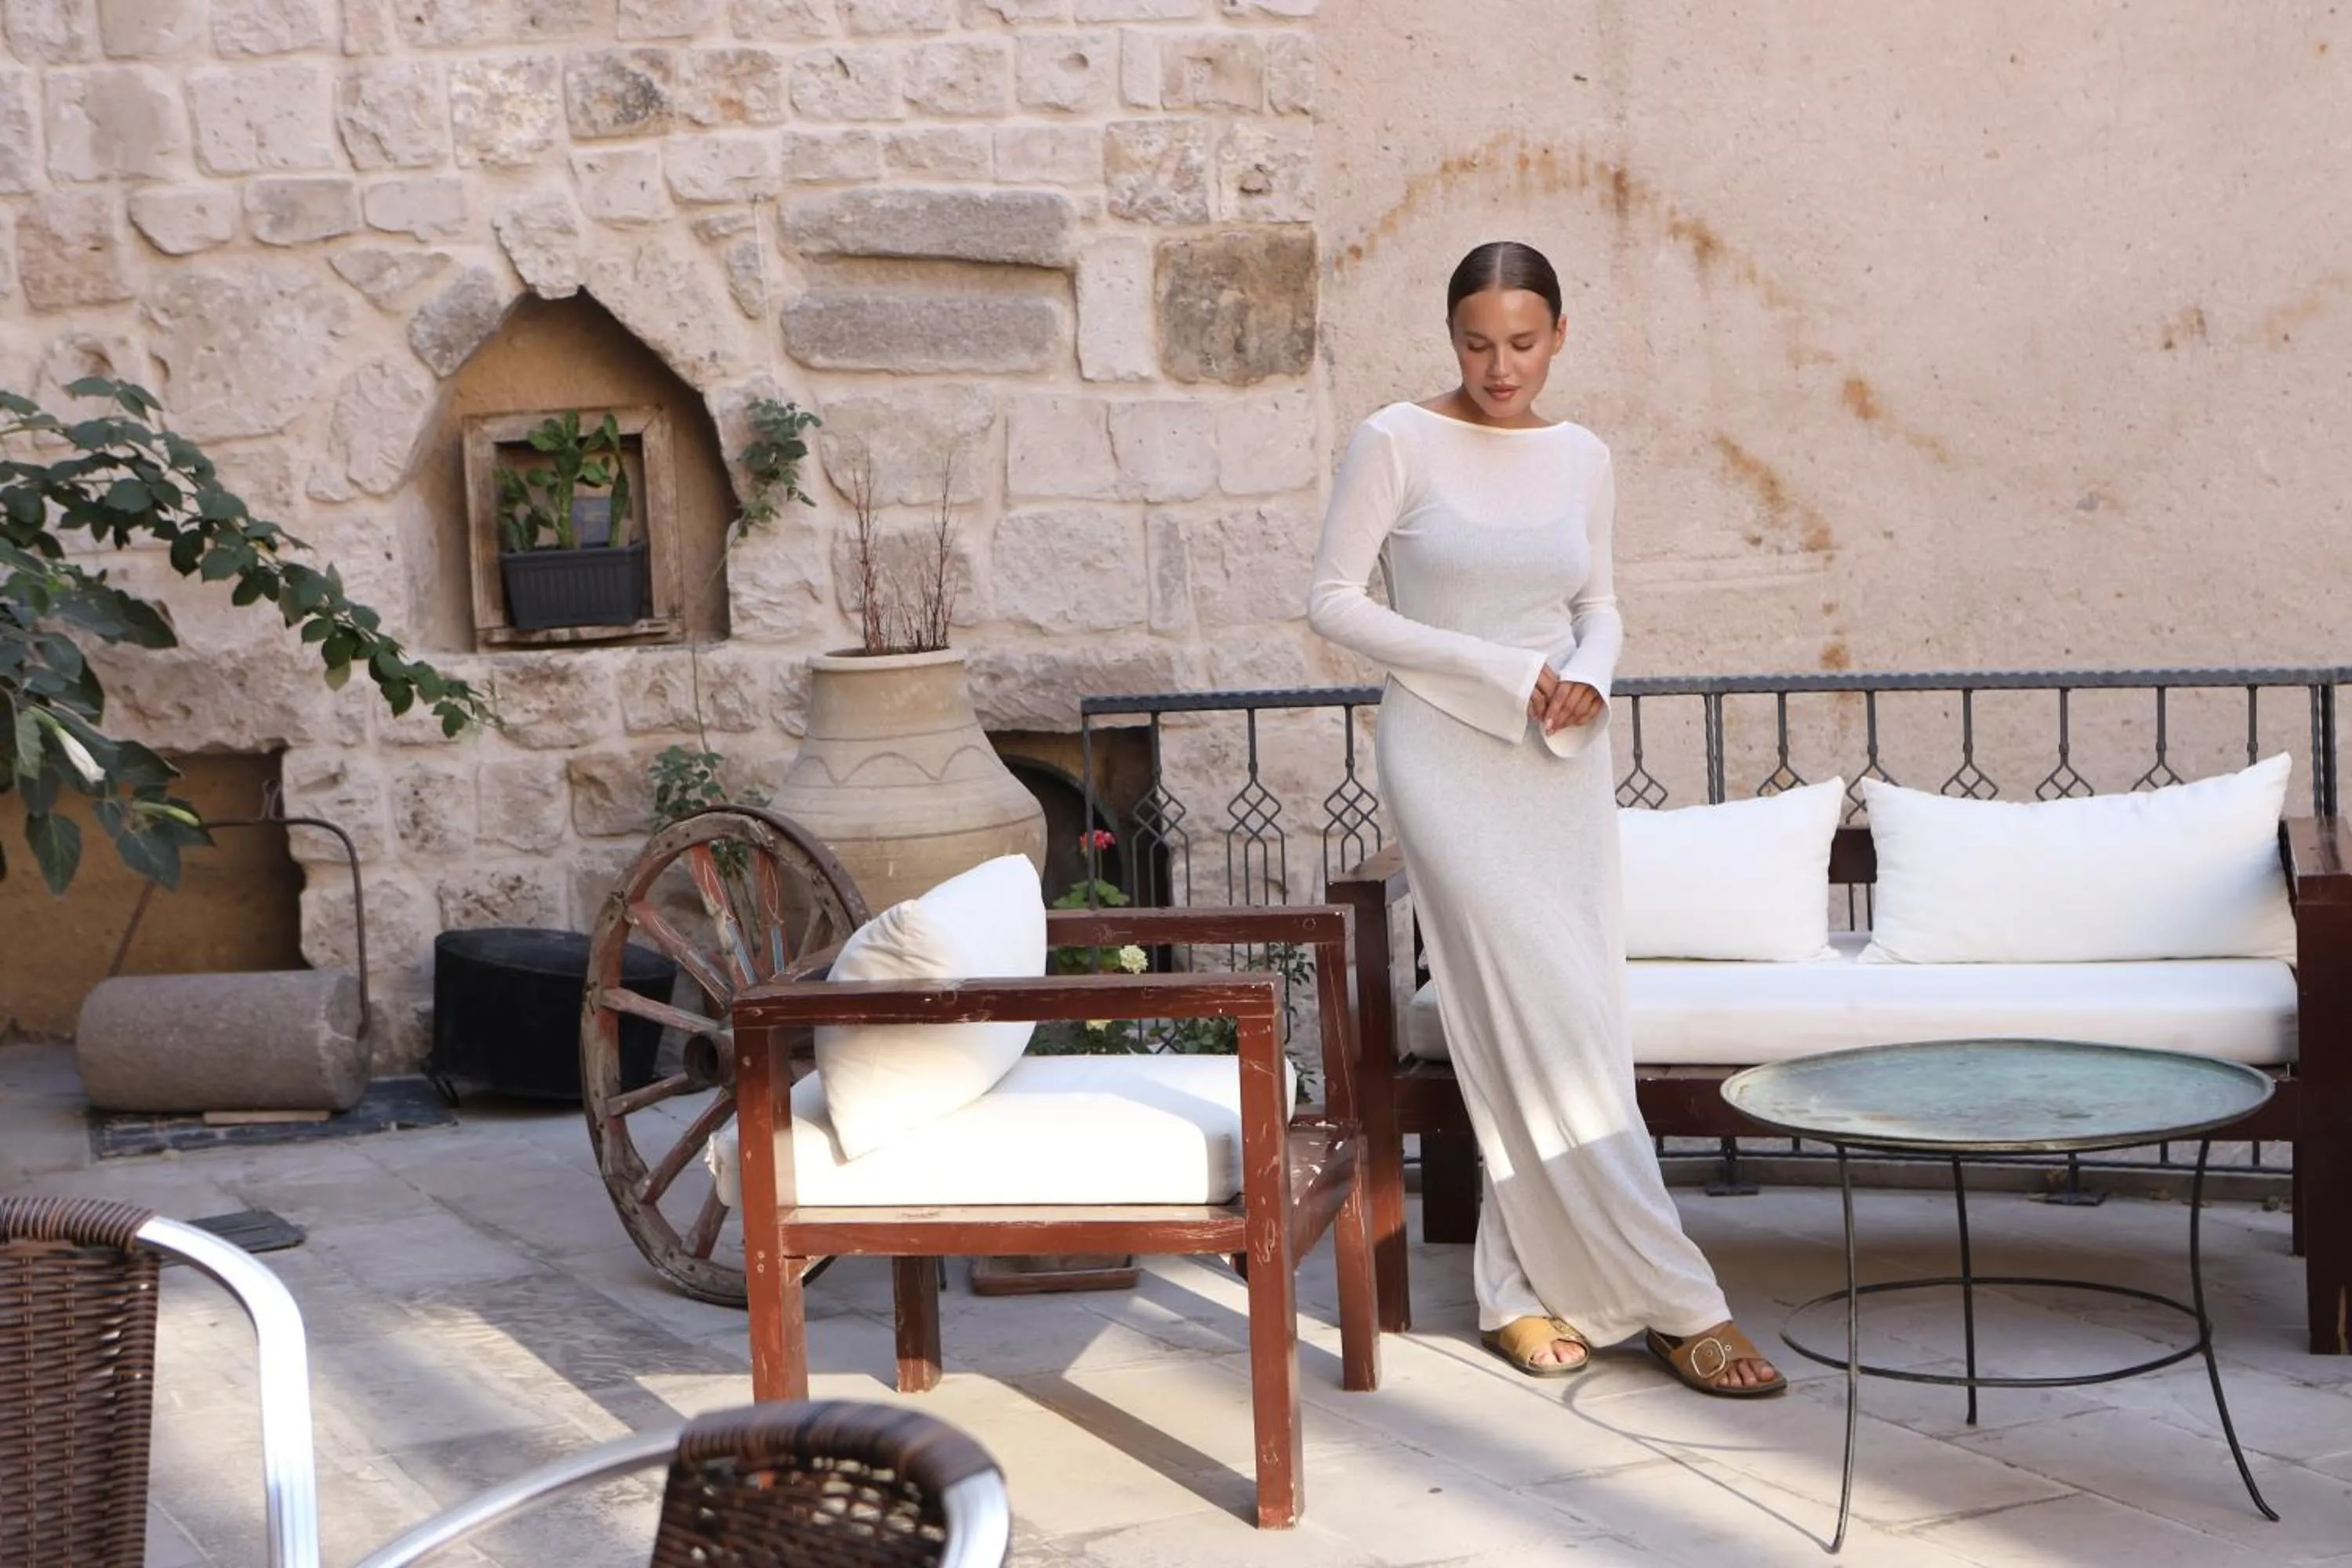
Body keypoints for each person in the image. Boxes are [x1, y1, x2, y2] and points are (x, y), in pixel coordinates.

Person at [1305, 241, 1784, 1396]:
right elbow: (1331, 602)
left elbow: (1599, 604)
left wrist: (1593, 678)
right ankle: (1682, 1303)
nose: (1499, 364)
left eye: (1522, 342)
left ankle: (1517, 1291)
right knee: (1521, 1003)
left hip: (1564, 753)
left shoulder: (1583, 457)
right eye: (1476, 342)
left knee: (1575, 1013)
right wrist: (1505, 669)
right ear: (1451, 334)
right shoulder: (1395, 440)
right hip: (1447, 753)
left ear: (1558, 335)